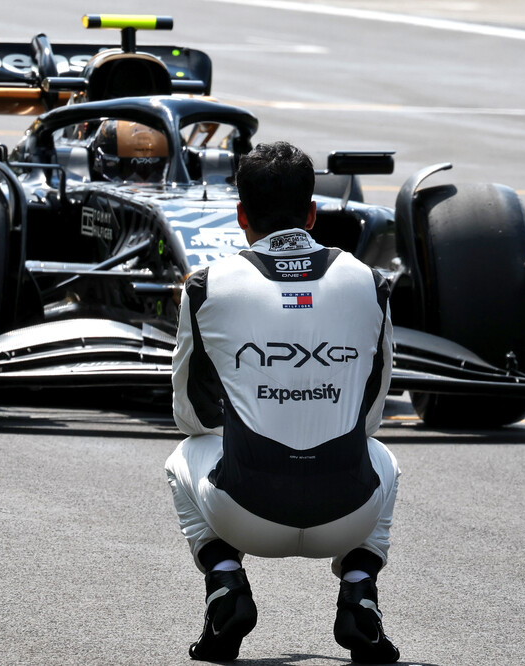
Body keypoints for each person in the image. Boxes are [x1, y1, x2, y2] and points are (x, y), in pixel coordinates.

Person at [165, 141, 402, 663]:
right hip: (350, 516)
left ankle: (226, 582)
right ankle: (361, 588)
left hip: (243, 516)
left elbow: (190, 413)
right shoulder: (370, 282)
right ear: (312, 213)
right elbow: (372, 415)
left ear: (240, 216)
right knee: (384, 459)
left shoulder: (205, 286)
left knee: (182, 454)